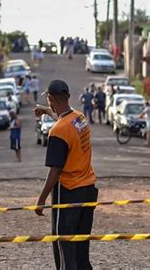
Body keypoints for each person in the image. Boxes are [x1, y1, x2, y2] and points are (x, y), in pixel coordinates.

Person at [33, 80, 98, 269]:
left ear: (51, 98)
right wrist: (46, 110)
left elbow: (55, 170)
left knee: (65, 247)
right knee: (81, 248)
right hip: (88, 190)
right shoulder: (79, 118)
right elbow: (64, 122)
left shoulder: (57, 132)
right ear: (68, 96)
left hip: (68, 192)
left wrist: (41, 199)